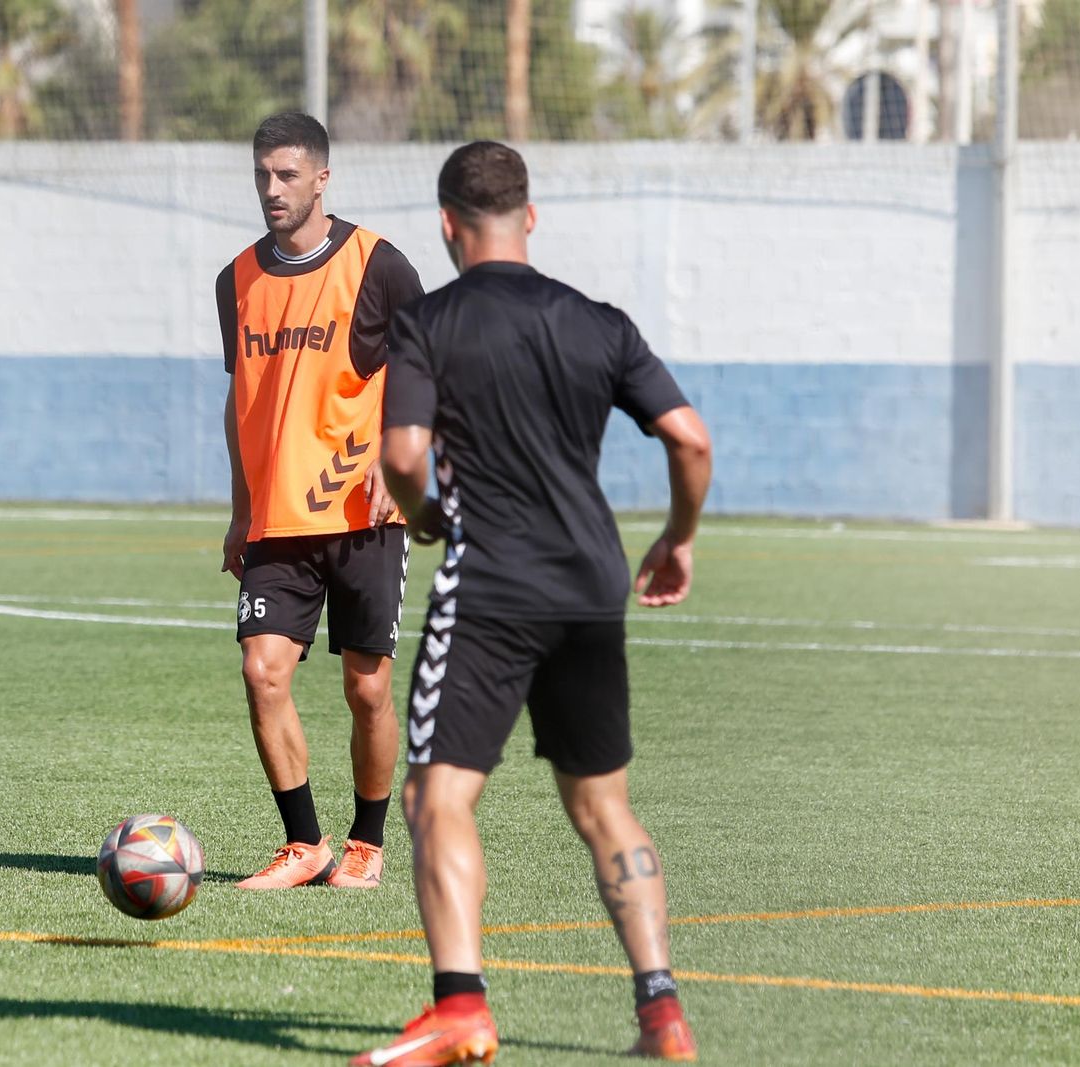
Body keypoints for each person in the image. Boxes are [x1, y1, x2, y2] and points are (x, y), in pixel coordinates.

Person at [353, 141, 713, 1065]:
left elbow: (402, 455)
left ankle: (461, 1006)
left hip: (492, 585)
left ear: (447, 224)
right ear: (531, 217)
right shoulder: (600, 322)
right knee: (603, 805)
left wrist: (424, 515)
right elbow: (690, 439)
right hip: (591, 584)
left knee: (438, 795)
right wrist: (677, 537)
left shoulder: (428, 322)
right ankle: (662, 1013)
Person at [217, 112, 425, 890]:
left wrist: (395, 459)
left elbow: (428, 369)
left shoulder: (379, 265)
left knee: (367, 687)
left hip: (364, 514)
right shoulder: (236, 279)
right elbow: (239, 398)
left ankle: (367, 842)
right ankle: (304, 843)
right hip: (277, 519)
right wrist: (241, 509)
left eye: (288, 175)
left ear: (322, 178)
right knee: (262, 671)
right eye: (262, 175)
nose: (272, 189)